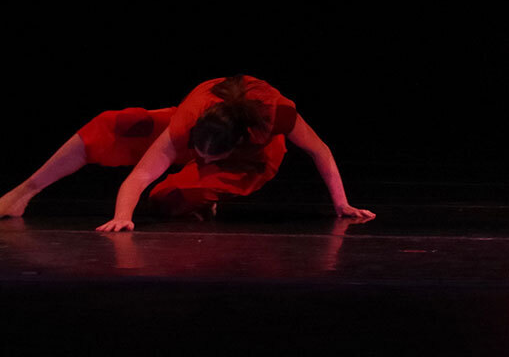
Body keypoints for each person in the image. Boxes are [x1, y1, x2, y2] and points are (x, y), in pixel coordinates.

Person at [2, 74, 371, 232]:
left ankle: (206, 195)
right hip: (199, 127)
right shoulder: (187, 121)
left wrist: (342, 203)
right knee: (112, 126)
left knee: (168, 198)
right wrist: (122, 217)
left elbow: (320, 151)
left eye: (211, 157)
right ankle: (22, 194)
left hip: (253, 158)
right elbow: (140, 176)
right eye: (199, 154)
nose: (203, 159)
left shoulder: (277, 114)